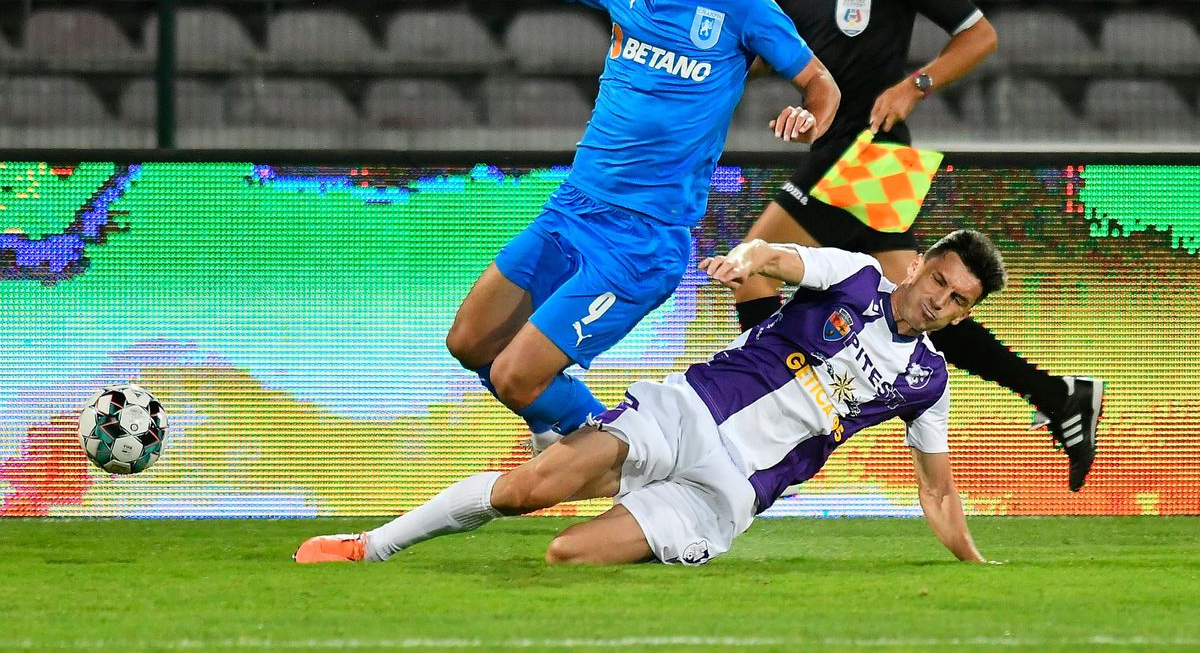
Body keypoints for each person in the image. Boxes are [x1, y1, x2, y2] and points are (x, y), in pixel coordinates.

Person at [733, 0, 1103, 491]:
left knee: (751, 267)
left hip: (872, 151)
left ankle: (768, 407)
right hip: (845, 154)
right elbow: (769, 50)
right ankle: (1058, 395)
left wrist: (915, 86)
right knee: (918, 302)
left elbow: (979, 35)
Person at [294, 229, 1006, 567]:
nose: (938, 300)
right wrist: (749, 258)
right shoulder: (853, 278)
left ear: (964, 314)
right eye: (938, 280)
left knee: (566, 555)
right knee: (523, 493)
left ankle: (580, 447)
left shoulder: (928, 383)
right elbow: (780, 258)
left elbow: (938, 493)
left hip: (729, 493)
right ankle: (370, 547)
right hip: (685, 412)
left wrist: (973, 564)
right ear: (918, 267)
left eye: (956, 300)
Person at [437, 0, 841, 451]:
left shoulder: (740, 4)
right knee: (469, 342)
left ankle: (635, 456)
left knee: (514, 375)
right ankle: (566, 425)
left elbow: (821, 84)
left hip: (642, 240)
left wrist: (808, 117)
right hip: (573, 209)